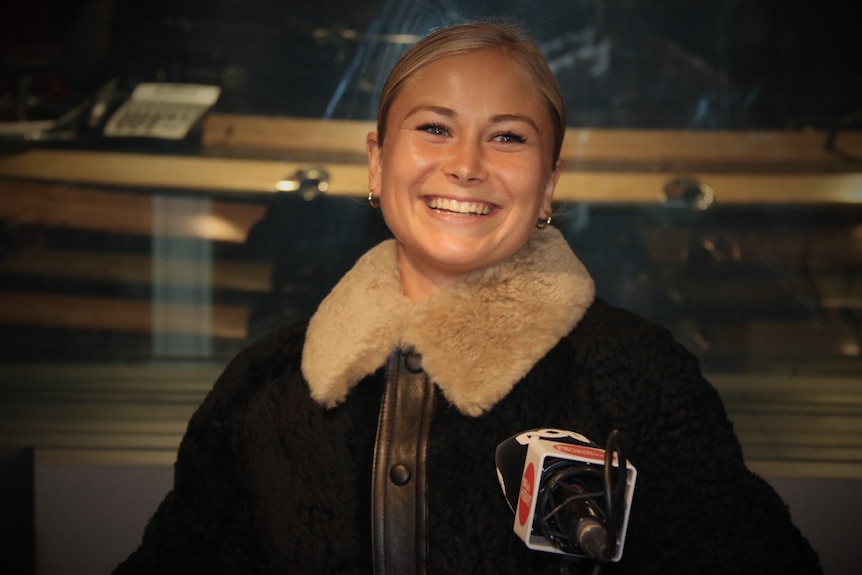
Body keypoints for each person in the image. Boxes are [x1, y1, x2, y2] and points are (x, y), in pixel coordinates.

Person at [113, 21, 821, 575]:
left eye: (507, 136)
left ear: (548, 185)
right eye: (434, 127)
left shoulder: (639, 378)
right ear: (376, 160)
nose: (466, 164)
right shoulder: (266, 387)